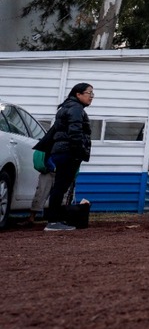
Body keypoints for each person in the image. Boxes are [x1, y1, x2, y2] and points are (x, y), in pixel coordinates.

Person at [43, 83, 94, 232]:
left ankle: (56, 218)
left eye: (93, 94)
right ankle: (53, 221)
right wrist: (79, 152)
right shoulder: (76, 108)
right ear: (78, 94)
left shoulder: (67, 107)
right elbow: (75, 132)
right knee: (60, 187)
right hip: (68, 152)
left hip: (61, 151)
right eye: (89, 93)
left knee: (60, 186)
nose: (91, 96)